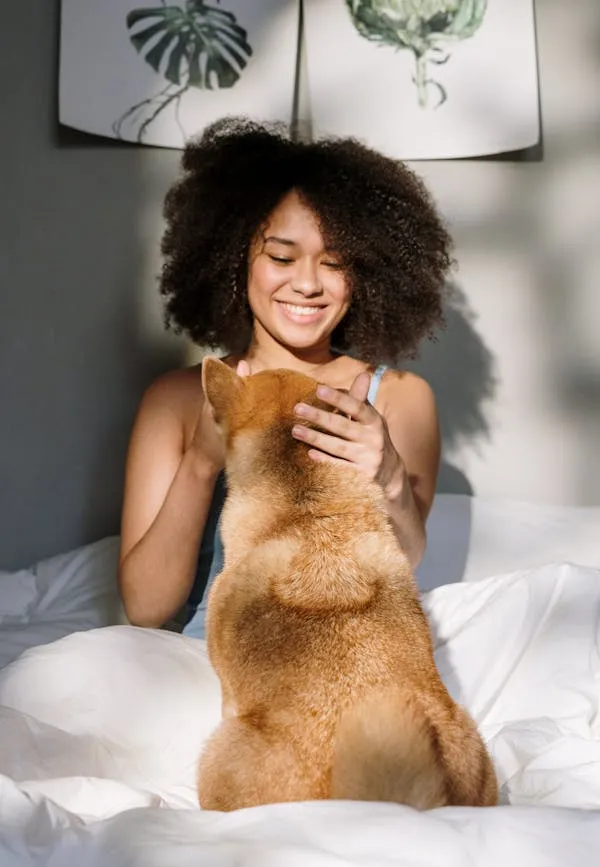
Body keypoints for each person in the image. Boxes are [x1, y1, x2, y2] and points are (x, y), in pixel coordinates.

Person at [118, 117, 452, 637]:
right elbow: (145, 608)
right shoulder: (177, 399)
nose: (307, 284)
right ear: (235, 258)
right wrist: (203, 462)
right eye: (281, 256)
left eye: (335, 263)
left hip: (339, 659)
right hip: (203, 662)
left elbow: (402, 563)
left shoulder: (399, 398)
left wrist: (387, 476)